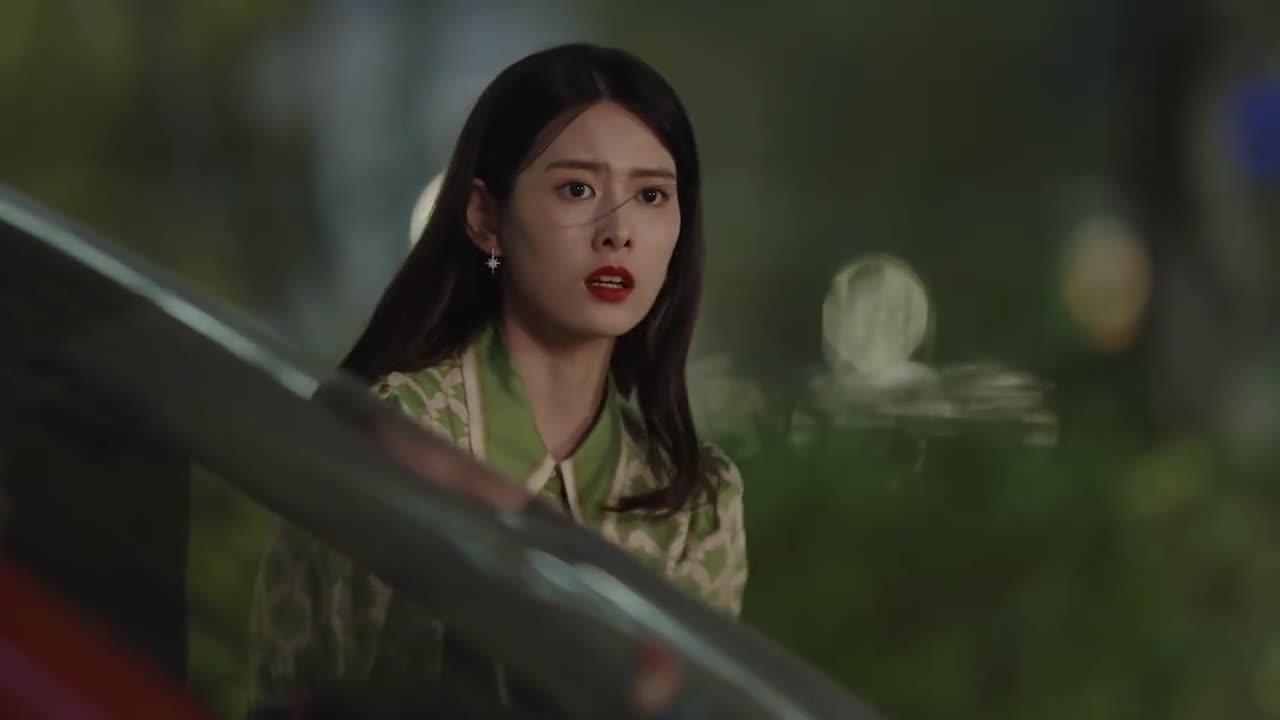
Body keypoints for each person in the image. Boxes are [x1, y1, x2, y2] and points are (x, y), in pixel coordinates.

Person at [248, 42, 748, 712]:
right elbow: (304, 692)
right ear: (486, 217)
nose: (619, 232)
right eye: (577, 189)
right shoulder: (394, 438)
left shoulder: (693, 500)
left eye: (652, 195)